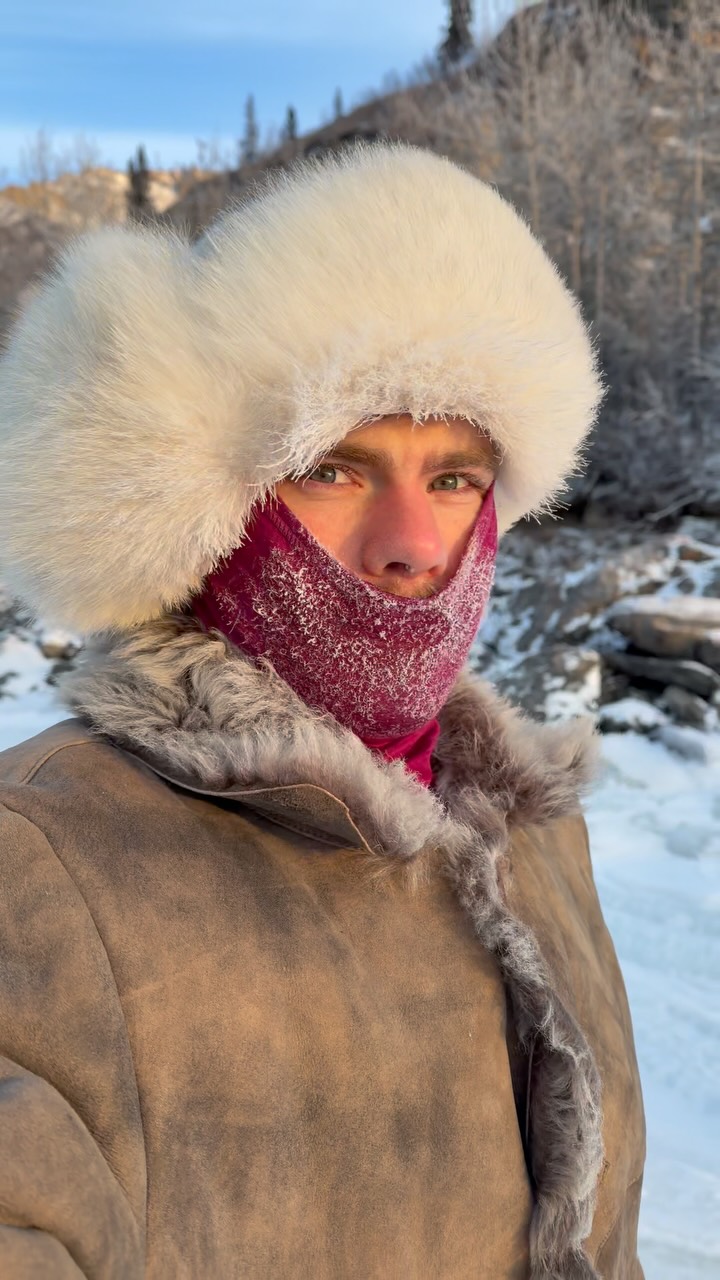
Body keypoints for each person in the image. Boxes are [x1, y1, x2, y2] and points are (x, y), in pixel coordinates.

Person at [0, 143, 645, 1279]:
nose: (411, 545)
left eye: (454, 478)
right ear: (216, 502)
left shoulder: (541, 837)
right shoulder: (43, 862)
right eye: (335, 469)